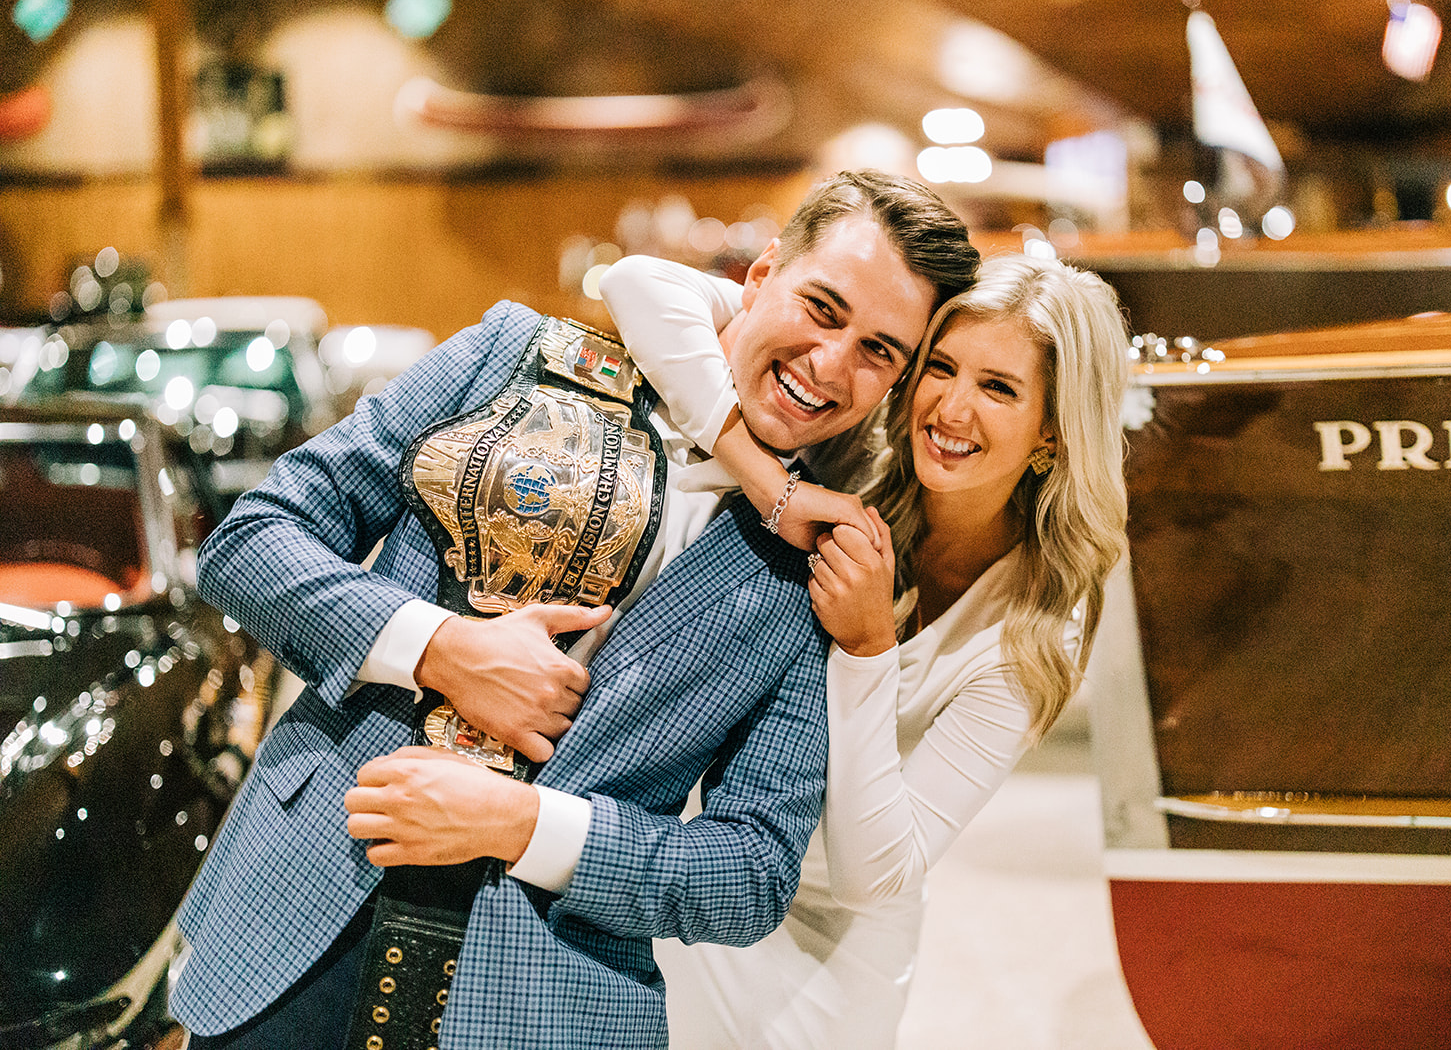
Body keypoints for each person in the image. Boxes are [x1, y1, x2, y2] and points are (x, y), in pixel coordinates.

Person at [168, 169, 980, 1050]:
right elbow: (254, 537)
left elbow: (749, 872)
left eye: (878, 351)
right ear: (759, 276)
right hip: (299, 911)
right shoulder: (511, 356)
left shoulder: (814, 567)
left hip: (542, 1003)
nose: (831, 366)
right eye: (822, 308)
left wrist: (528, 826)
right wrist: (439, 647)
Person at [375, 250, 1131, 1048]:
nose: (950, 406)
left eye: (999, 387)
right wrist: (771, 484)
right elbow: (637, 284)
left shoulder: (1039, 622)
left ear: (1051, 431)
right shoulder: (855, 462)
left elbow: (874, 874)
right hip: (697, 864)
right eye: (941, 367)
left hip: (831, 947)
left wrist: (869, 649)